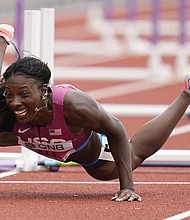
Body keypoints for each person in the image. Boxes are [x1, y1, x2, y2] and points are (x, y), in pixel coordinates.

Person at [0, 24, 190, 202]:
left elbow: (116, 130)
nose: (15, 102)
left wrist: (128, 187)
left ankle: (186, 93)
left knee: (131, 156)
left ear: (43, 91)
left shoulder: (75, 105)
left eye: (24, 94)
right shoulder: (7, 104)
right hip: (29, 135)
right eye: (10, 94)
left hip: (87, 151)